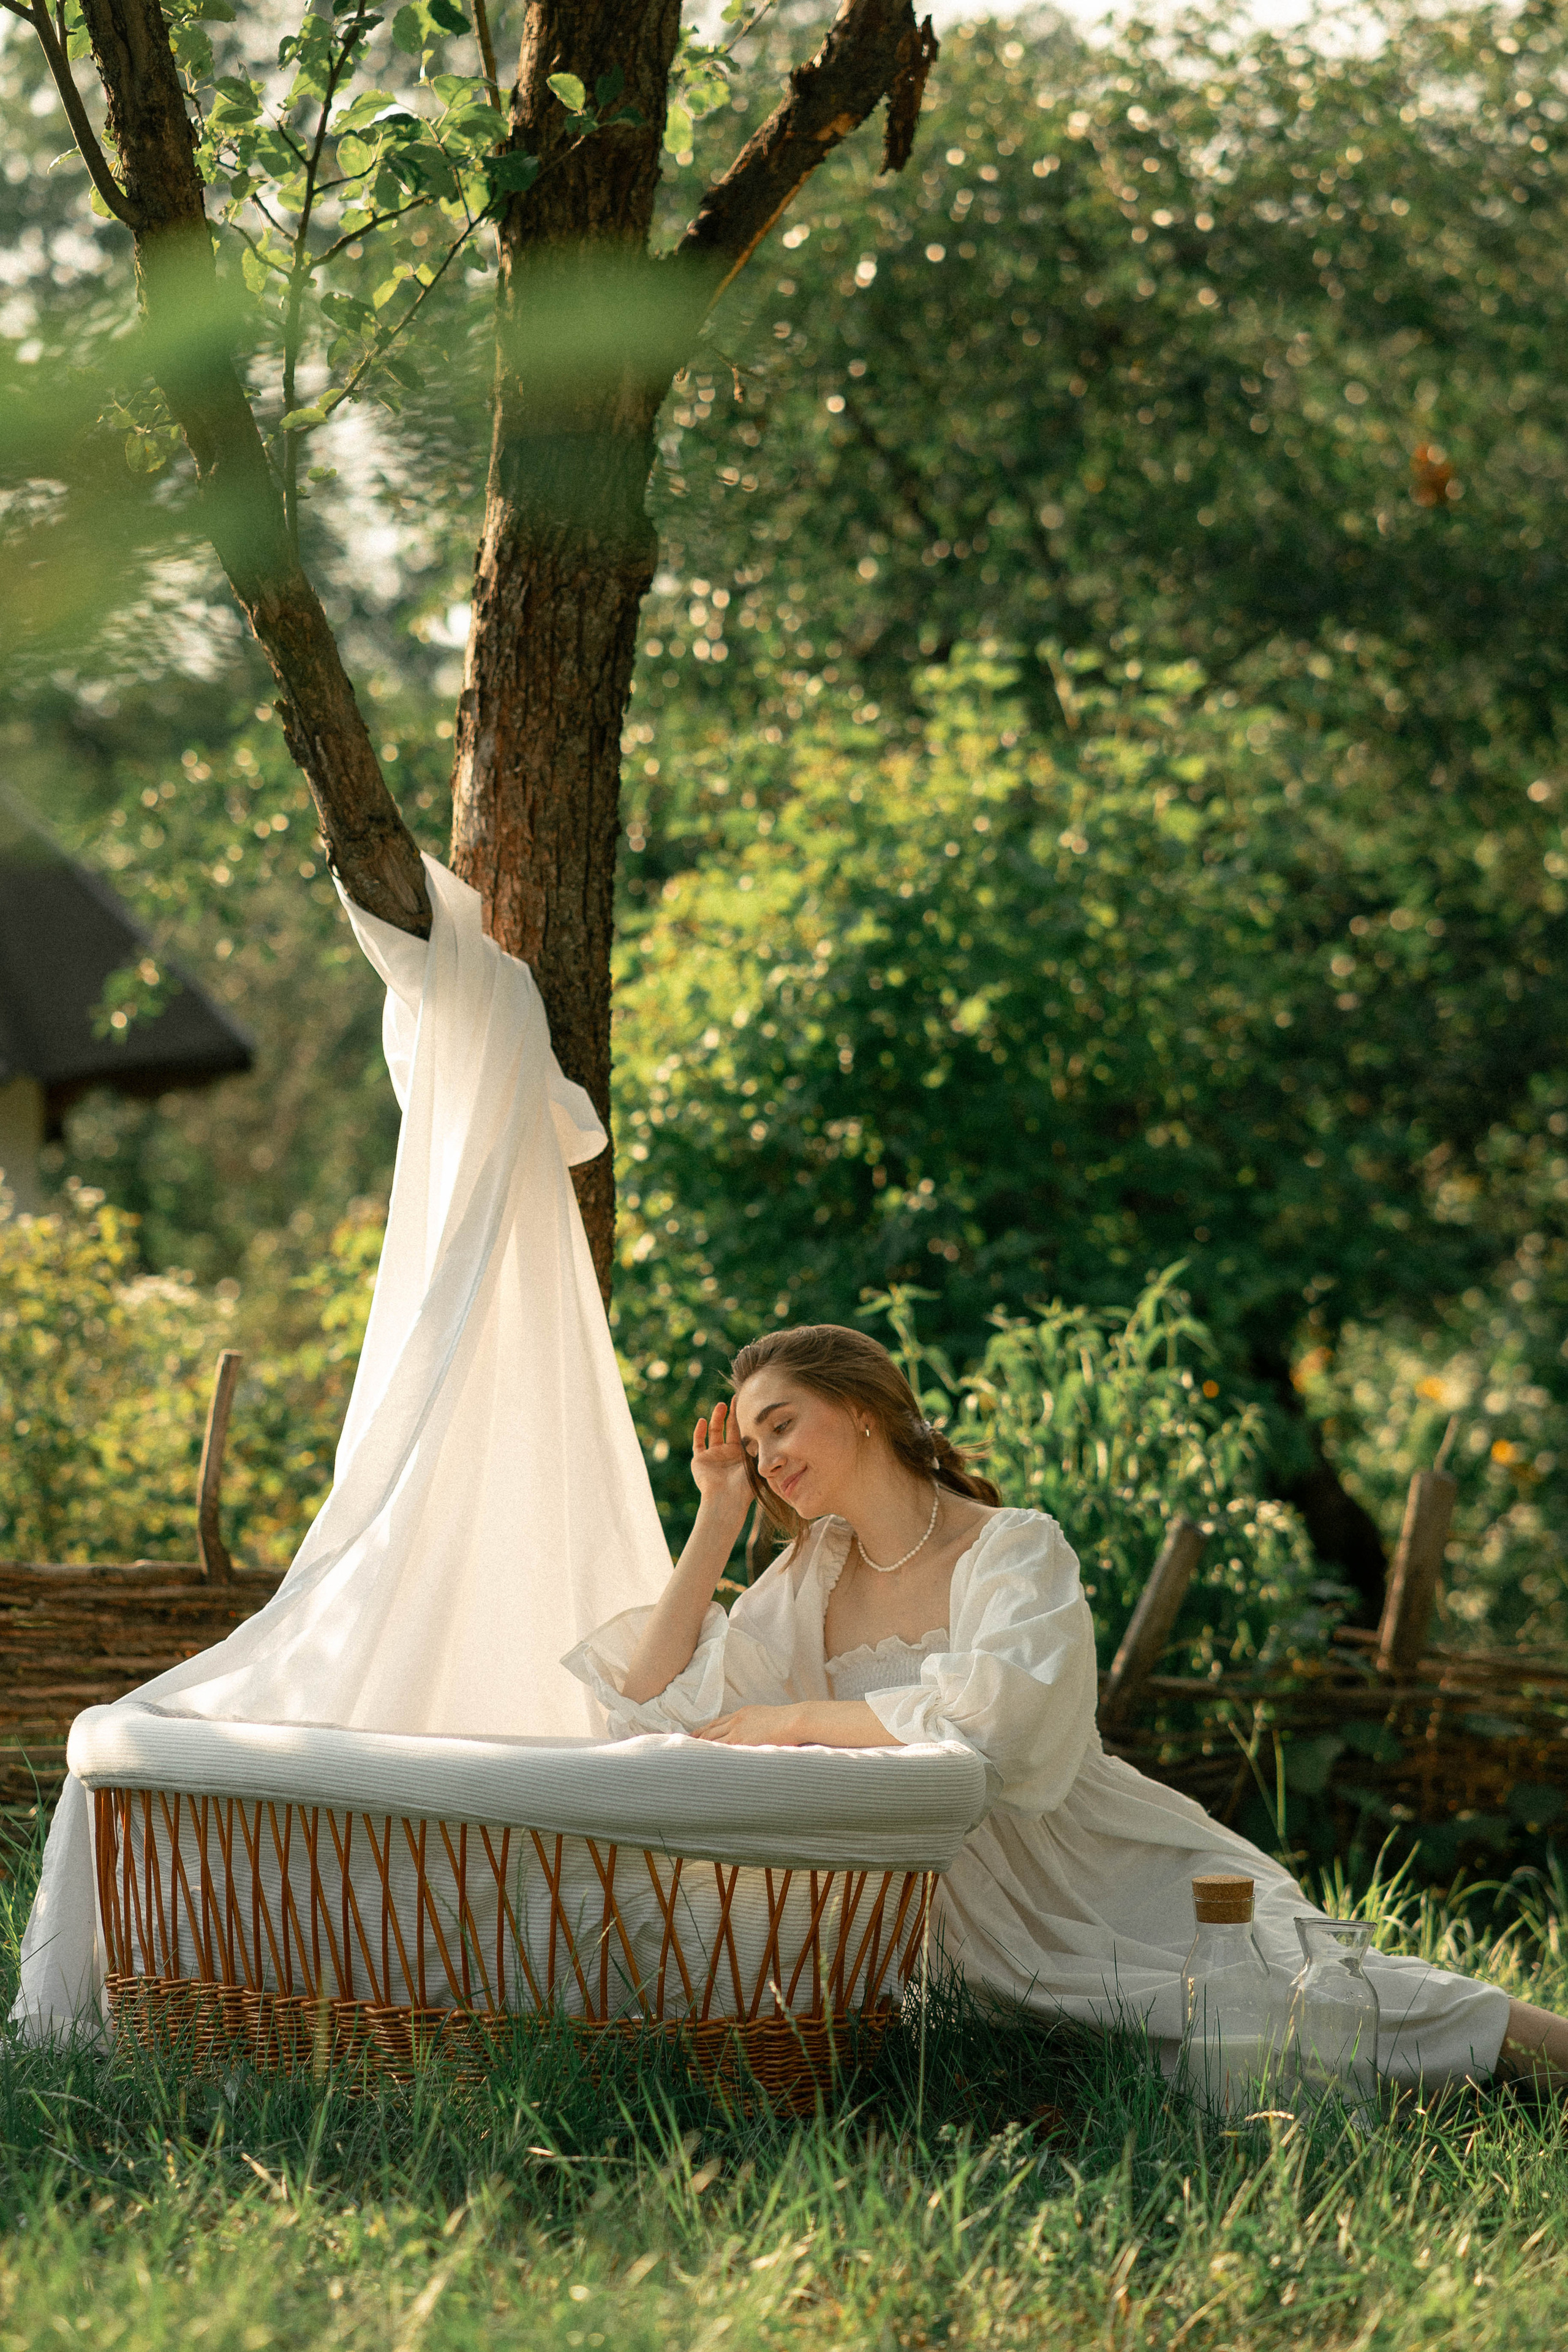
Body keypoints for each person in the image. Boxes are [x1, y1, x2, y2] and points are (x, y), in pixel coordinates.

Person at [566, 1323, 1568, 2089]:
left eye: (779, 1424)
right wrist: (718, 1512)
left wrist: (800, 1721)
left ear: (863, 1407)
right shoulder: (809, 1572)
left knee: (1303, 1999)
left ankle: (1547, 2059)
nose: (766, 1454)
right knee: (1163, 2063)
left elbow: (1003, 1719)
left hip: (1093, 1855)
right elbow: (649, 1705)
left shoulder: (1012, 1548)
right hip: (950, 1911)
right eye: (750, 1441)